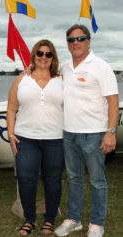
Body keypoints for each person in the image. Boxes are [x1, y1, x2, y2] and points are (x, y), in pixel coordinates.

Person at [55, 25, 119, 237]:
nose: (76, 43)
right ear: (67, 43)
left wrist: (111, 131)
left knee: (97, 180)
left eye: (80, 38)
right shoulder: (64, 67)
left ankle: (97, 223)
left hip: (94, 134)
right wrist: (29, 70)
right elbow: (44, 75)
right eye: (71, 40)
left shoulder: (101, 66)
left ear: (88, 41)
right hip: (68, 133)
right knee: (73, 178)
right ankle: (74, 219)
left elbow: (112, 101)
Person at [7, 39, 64, 236]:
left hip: (55, 139)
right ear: (34, 55)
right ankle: (29, 220)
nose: (44, 57)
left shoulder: (61, 81)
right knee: (26, 179)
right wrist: (11, 133)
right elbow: (12, 108)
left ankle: (49, 220)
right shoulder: (21, 80)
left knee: (53, 180)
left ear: (53, 58)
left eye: (48, 54)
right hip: (26, 139)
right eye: (40, 53)